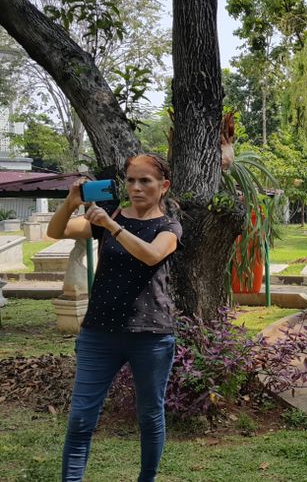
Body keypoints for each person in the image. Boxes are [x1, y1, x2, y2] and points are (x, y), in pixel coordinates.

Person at [49, 154, 182, 482]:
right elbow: (57, 231)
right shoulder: (109, 216)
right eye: (131, 180)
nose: (136, 188)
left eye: (145, 181)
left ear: (163, 186)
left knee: (150, 416)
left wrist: (112, 226)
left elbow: (151, 254)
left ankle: (146, 479)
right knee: (80, 418)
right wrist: (70, 203)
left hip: (150, 335)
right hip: (99, 333)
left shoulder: (169, 226)